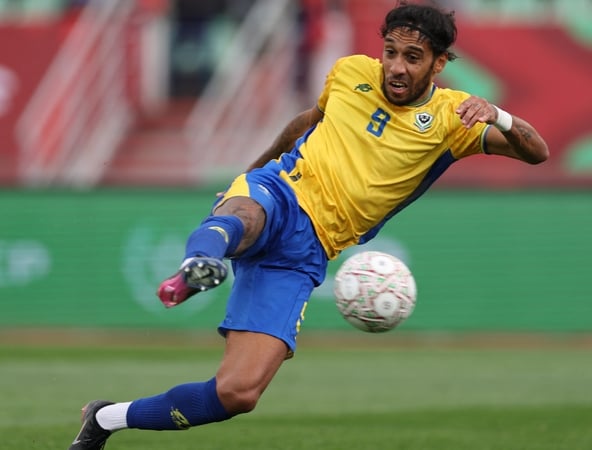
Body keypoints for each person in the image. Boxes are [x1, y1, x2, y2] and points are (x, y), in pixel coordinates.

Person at [68, 2, 547, 449]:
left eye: (413, 57)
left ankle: (105, 418)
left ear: (438, 64)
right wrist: (248, 173)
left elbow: (536, 151)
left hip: (308, 251)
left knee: (238, 394)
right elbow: (308, 123)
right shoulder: (350, 72)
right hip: (283, 191)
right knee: (244, 214)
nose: (397, 67)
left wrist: (499, 115)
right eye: (391, 52)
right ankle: (200, 263)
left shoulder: (452, 119)